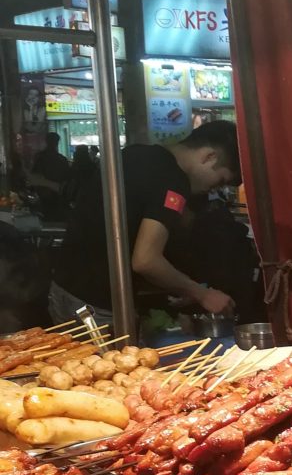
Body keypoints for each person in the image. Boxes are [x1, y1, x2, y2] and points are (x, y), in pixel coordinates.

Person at [50, 121, 240, 327]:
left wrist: (181, 287)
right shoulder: (174, 181)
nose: (213, 189)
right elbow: (145, 260)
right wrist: (202, 294)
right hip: (98, 306)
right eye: (220, 180)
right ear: (209, 156)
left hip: (62, 290)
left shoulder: (134, 153)